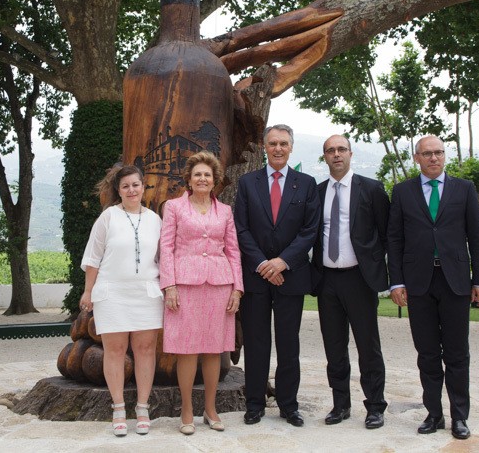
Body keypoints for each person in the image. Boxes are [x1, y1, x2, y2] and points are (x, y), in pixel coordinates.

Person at [388, 135, 479, 440]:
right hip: (418, 283)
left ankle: (460, 416)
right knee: (428, 353)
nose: (434, 158)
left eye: (439, 153)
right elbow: (394, 239)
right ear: (416, 158)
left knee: (457, 353)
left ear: (444, 156)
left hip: (455, 281)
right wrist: (396, 281)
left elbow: (477, 237)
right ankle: (433, 414)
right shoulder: (402, 192)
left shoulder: (464, 189)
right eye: (427, 153)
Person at [234, 124, 320, 427]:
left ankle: (288, 405)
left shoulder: (306, 184)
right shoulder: (248, 183)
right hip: (256, 277)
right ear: (264, 147)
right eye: (273, 143)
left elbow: (310, 230)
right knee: (256, 343)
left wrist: (282, 262)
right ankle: (254, 404)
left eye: (283, 143)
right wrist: (263, 264)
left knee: (288, 344)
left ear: (291, 147)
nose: (278, 148)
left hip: (291, 276)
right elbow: (241, 228)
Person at [159, 151, 243, 435]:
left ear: (214, 179)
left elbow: (233, 251)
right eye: (198, 174)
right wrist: (169, 285)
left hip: (220, 286)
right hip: (184, 286)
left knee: (213, 350)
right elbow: (166, 248)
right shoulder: (174, 207)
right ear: (189, 179)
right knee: (187, 350)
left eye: (207, 174)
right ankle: (186, 410)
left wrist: (237, 289)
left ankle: (210, 408)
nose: (202, 178)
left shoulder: (226, 211)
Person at [311, 135, 389, 430]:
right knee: (334, 347)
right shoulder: (317, 192)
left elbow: (386, 234)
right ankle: (340, 404)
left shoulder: (371, 189)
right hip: (327, 279)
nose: (336, 154)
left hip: (360, 278)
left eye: (341, 149)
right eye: (330, 150)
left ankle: (375, 406)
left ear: (350, 153)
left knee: (368, 346)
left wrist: (381, 270)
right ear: (325, 157)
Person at [79, 165, 163, 437]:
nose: (131, 190)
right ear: (118, 190)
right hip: (112, 293)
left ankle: (142, 408)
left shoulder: (155, 220)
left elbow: (163, 259)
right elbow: (93, 258)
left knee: (145, 350)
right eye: (125, 186)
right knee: (114, 351)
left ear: (143, 186)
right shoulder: (108, 217)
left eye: (135, 185)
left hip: (146, 294)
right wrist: (88, 291)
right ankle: (117, 408)